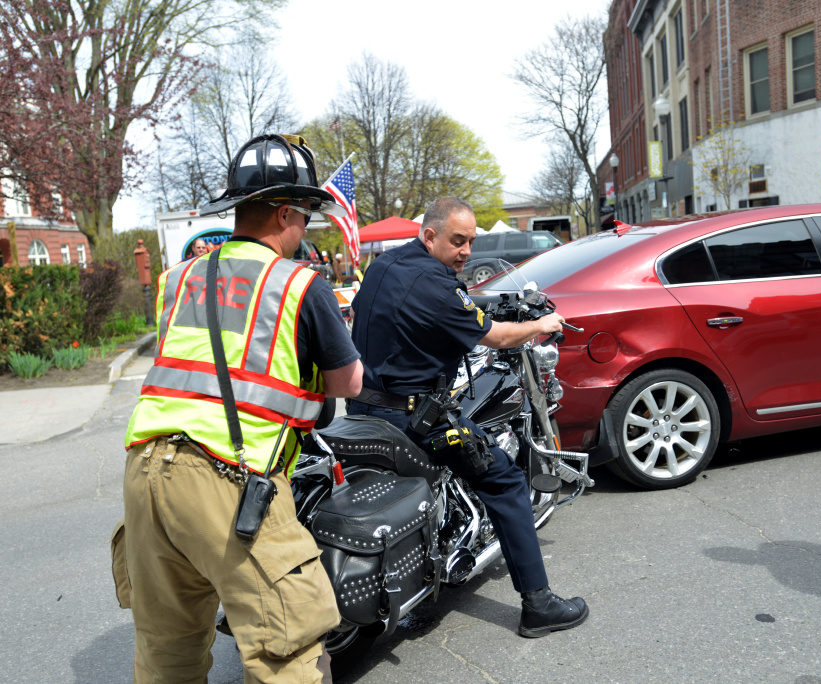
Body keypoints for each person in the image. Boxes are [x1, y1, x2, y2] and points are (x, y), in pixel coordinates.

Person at [115, 133, 363, 683]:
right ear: (282, 214)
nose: (306, 231)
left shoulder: (176, 280)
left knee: (166, 655)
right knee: (288, 652)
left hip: (146, 475)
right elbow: (349, 382)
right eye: (305, 216)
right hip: (230, 480)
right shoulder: (299, 283)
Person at [347, 196, 588, 638]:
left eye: (471, 242)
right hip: (414, 419)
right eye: (457, 241)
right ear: (430, 235)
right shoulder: (440, 287)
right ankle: (539, 605)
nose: (465, 251)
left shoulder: (385, 265)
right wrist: (541, 325)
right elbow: (494, 336)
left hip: (362, 407)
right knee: (505, 480)